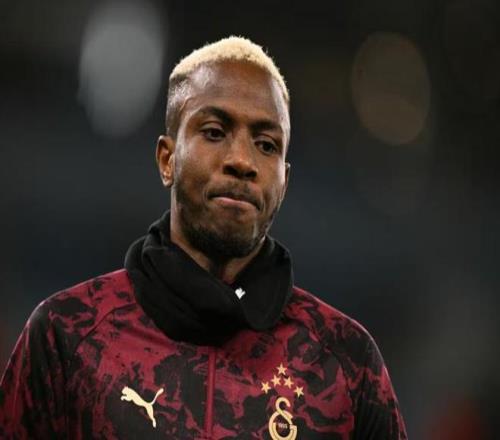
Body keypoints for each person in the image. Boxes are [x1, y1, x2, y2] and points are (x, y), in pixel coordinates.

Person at [0, 36, 407, 439]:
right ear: (167, 159)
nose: (242, 161)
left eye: (266, 145)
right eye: (214, 132)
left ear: (284, 182)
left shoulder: (346, 362)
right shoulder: (67, 335)